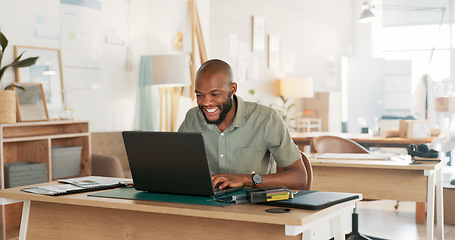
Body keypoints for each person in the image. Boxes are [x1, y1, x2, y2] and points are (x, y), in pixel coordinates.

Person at [178, 59, 307, 190]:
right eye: (199, 95)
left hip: (253, 206)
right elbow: (174, 166)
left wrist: (245, 179)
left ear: (233, 89)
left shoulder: (266, 119)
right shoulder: (193, 118)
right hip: (206, 205)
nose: (206, 102)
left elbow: (299, 178)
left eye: (215, 94)